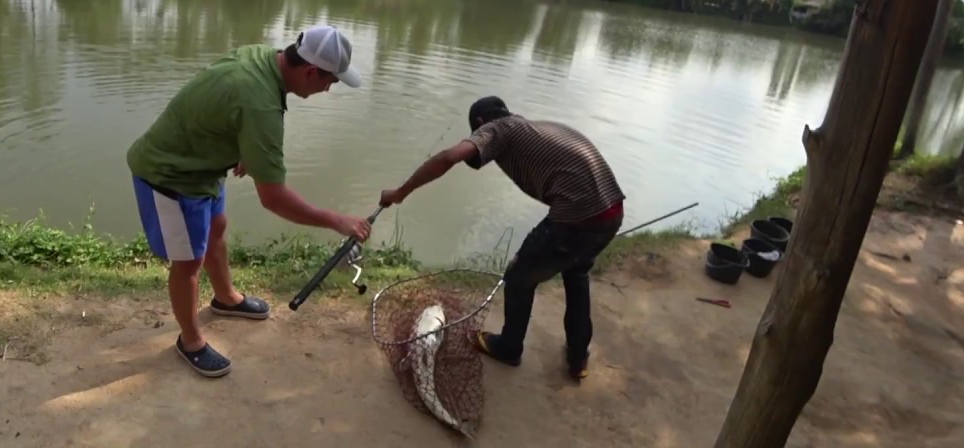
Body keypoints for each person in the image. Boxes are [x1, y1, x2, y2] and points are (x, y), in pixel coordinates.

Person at [127, 25, 373, 378]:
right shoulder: (260, 104)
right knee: (188, 263)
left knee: (217, 228)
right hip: (171, 174)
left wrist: (243, 143)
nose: (328, 89)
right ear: (310, 72)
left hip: (204, 163)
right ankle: (191, 340)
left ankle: (226, 298)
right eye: (330, 81)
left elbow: (222, 98)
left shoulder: (262, 57)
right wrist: (336, 220)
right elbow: (273, 198)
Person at [379, 96, 624, 382]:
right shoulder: (528, 126)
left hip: (577, 217)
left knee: (520, 277)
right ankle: (578, 357)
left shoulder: (497, 129)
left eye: (475, 132)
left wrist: (401, 192)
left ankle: (509, 347)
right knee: (576, 271)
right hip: (612, 210)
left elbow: (448, 157)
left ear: (481, 123)